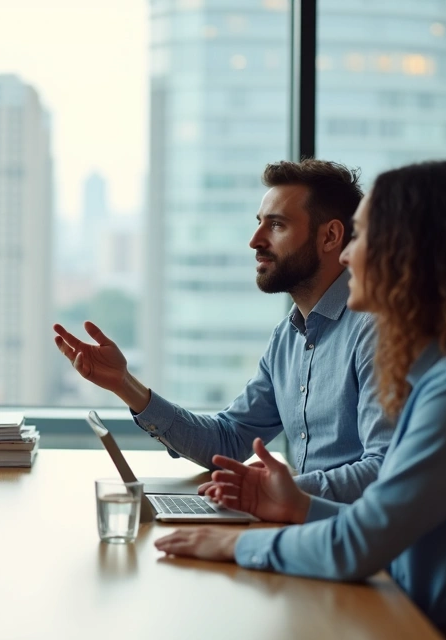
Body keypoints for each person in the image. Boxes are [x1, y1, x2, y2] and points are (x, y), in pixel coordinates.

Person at [155, 160, 446, 629]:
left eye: (362, 236)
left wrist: (233, 545)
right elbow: (384, 524)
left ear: (409, 255)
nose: (347, 256)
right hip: (416, 617)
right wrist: (297, 506)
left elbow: (360, 543)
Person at [54, 159, 390, 501]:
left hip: (357, 542)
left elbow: (385, 470)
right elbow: (227, 439)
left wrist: (273, 492)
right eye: (259, 223)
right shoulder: (288, 338)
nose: (255, 240)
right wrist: (125, 384)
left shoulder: (375, 331)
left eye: (276, 225)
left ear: (330, 236)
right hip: (304, 528)